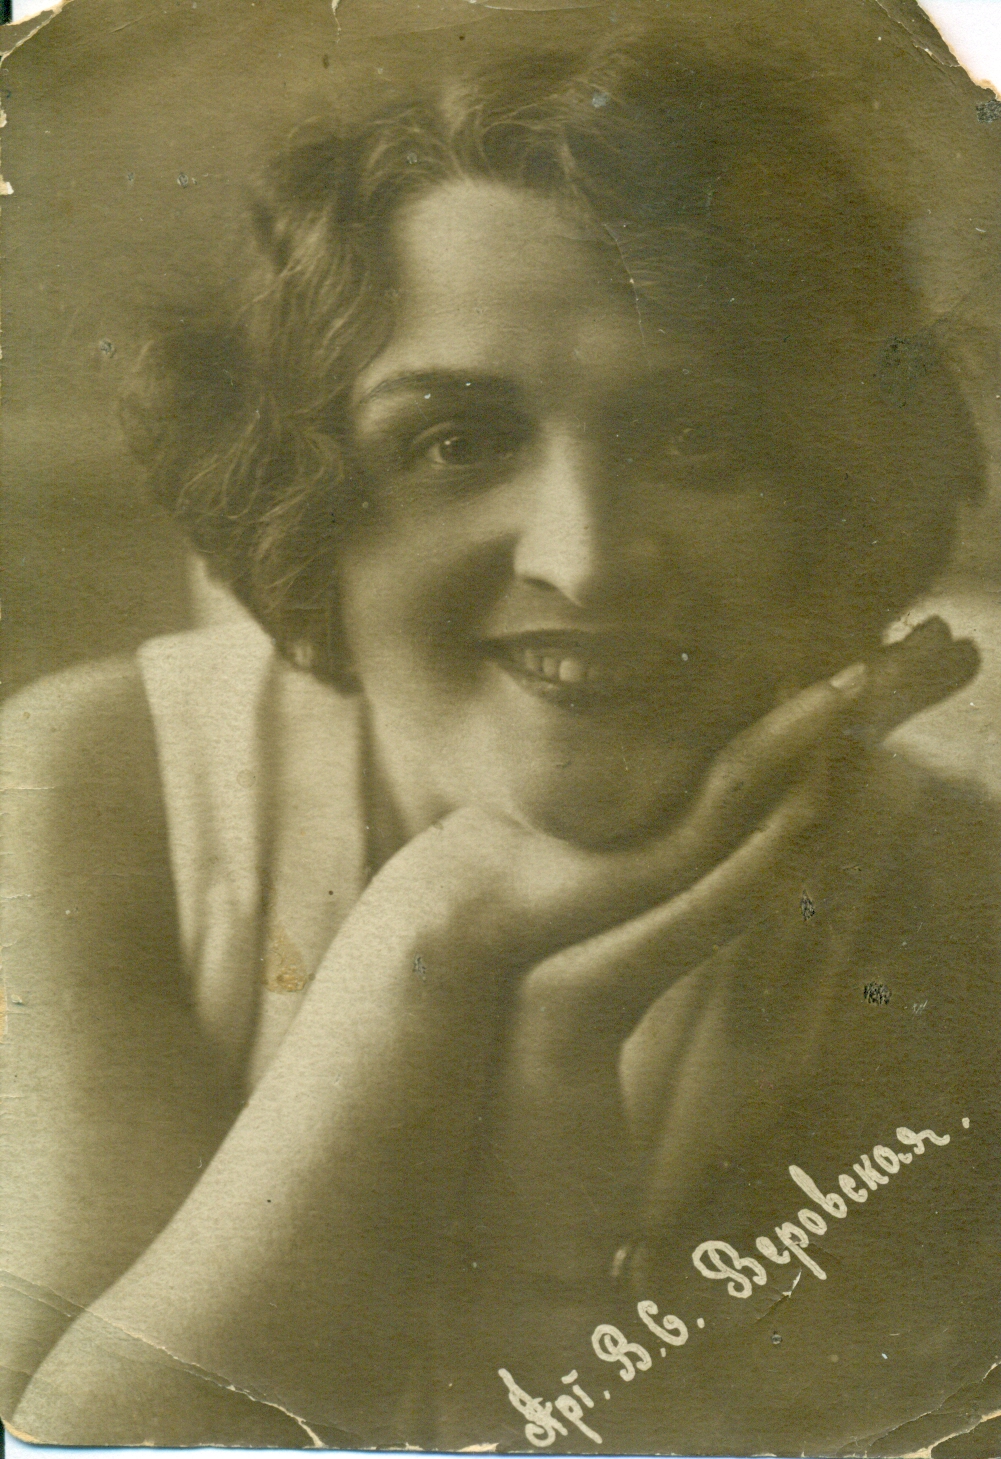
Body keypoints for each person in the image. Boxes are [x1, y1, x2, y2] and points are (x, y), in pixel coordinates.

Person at [2, 34, 998, 1454]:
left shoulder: (953, 900)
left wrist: (556, 1063)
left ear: (821, 494)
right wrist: (435, 940)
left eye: (697, 442)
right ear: (306, 494)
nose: (581, 561)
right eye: (457, 442)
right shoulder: (93, 786)